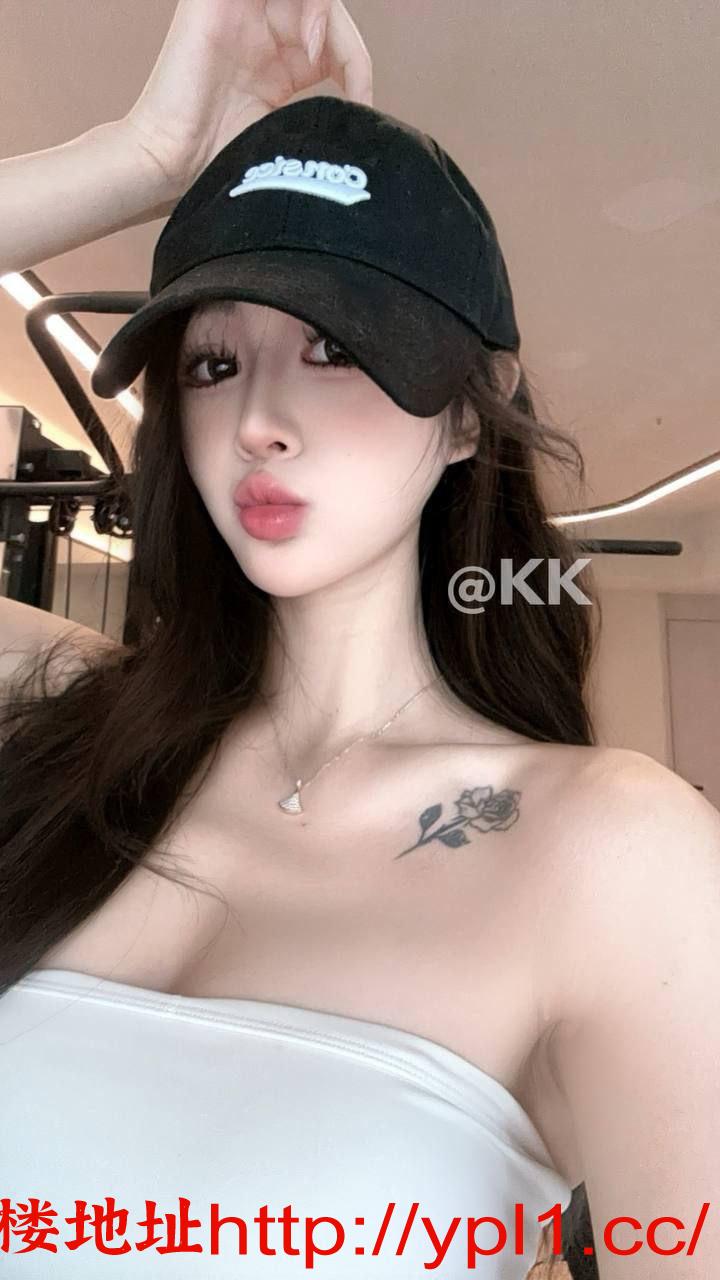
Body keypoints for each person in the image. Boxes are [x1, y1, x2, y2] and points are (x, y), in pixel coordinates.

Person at [0, 2, 718, 1278]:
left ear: (465, 419)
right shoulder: (57, 728)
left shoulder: (614, 853)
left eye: (332, 348)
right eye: (212, 364)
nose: (258, 421)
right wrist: (138, 156)